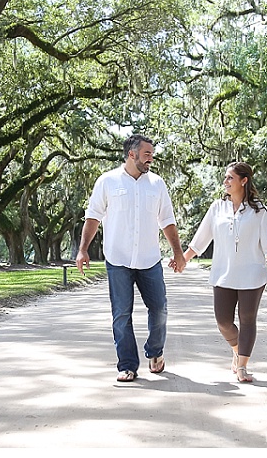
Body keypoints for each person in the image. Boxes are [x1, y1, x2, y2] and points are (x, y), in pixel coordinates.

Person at [76, 134, 187, 382]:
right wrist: (83, 249)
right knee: (121, 315)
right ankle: (127, 365)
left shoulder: (157, 184)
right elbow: (93, 217)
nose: (151, 158)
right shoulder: (107, 182)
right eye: (147, 154)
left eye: (152, 154)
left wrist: (178, 253)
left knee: (159, 309)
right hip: (118, 260)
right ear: (132, 154)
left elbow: (167, 221)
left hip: (150, 260)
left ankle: (155, 352)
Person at [178, 161, 267, 383]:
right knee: (223, 321)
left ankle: (243, 366)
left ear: (243, 181)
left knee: (247, 319)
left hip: (252, 275)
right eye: (225, 178)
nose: (225, 182)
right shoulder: (217, 208)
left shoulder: (259, 211)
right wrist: (183, 259)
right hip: (223, 274)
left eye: (230, 178)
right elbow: (201, 239)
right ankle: (237, 349)